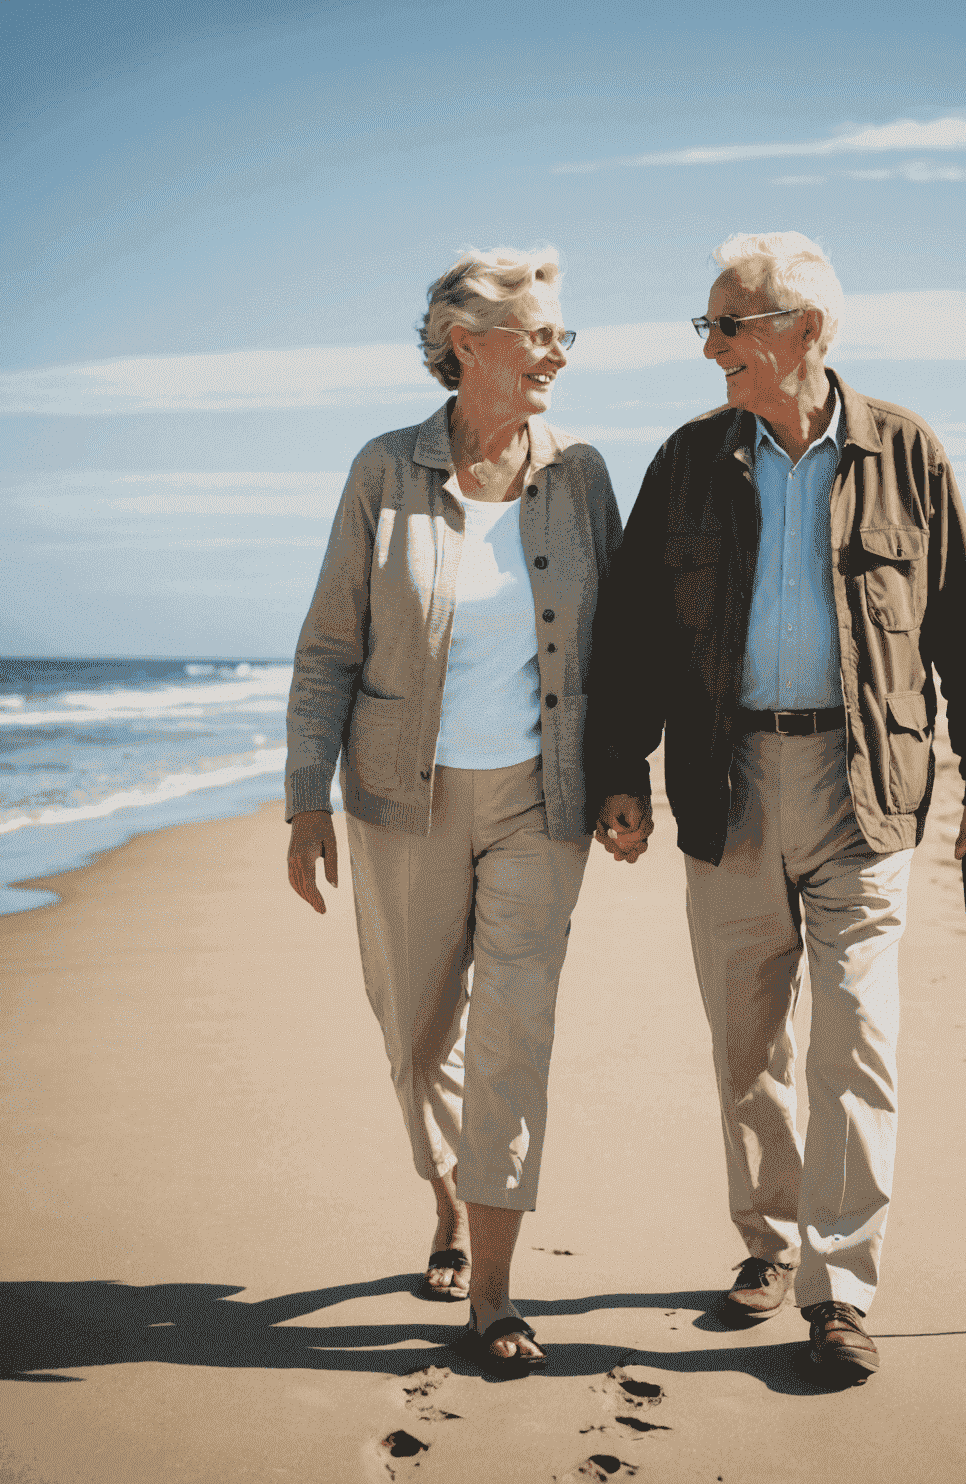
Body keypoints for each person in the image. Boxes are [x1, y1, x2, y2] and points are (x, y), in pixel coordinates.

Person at [585, 232, 966, 1386]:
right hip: (724, 783)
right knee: (749, 1047)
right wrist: (618, 775)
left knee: (857, 1042)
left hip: (863, 789)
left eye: (731, 325)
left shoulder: (906, 454)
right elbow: (628, 634)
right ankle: (768, 1242)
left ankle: (841, 1288)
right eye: (711, 325)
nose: (712, 345)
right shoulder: (686, 460)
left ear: (806, 333)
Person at [286, 247, 621, 1376]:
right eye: (539, 335)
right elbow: (330, 643)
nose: (558, 355)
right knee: (417, 1033)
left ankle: (493, 1288)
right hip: (398, 799)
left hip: (543, 797)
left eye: (563, 336)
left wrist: (627, 780)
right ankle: (444, 1197)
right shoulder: (384, 471)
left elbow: (618, 651)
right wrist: (304, 802)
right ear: (466, 346)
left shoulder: (582, 477)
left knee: (512, 1036)